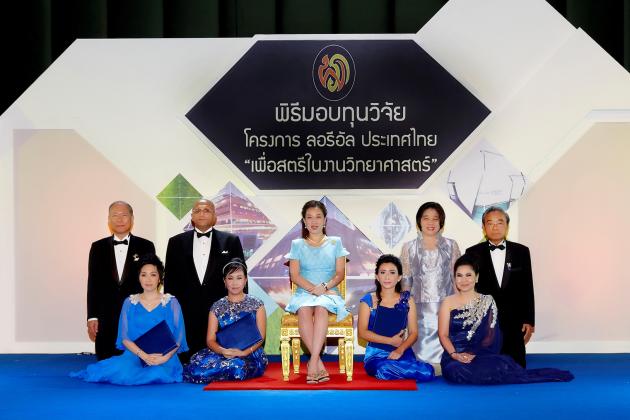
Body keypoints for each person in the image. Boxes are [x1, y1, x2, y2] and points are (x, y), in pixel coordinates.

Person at [438, 254, 573, 384]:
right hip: (454, 357)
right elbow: (443, 335)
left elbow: (491, 336)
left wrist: (474, 354)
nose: (464, 280)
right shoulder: (448, 302)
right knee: (455, 371)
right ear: (454, 278)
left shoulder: (487, 301)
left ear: (477, 277)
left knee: (500, 365)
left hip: (479, 355)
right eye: (459, 275)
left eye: (468, 275)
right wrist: (455, 354)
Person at [72, 254, 188, 385]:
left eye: (153, 275)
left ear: (160, 278)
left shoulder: (172, 302)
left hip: (165, 358)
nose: (148, 279)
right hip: (135, 355)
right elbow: (125, 337)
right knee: (123, 373)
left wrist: (164, 358)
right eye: (143, 275)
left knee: (157, 373)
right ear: (139, 278)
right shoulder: (130, 302)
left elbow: (179, 337)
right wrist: (144, 356)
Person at [164, 198, 245, 362]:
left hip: (221, 311)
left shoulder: (231, 241)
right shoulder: (175, 242)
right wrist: (170, 310)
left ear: (215, 216)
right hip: (186, 311)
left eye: (207, 210)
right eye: (197, 210)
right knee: (186, 363)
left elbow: (240, 276)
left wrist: (240, 308)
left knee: (221, 362)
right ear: (192, 217)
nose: (202, 213)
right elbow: (170, 280)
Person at [285, 200, 349, 384]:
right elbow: (295, 275)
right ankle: (317, 363)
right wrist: (314, 290)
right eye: (309, 217)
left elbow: (339, 274)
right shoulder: (297, 244)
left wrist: (325, 288)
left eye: (318, 217)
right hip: (305, 292)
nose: (314, 221)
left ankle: (312, 363)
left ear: (325, 220)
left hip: (328, 291)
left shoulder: (336, 243)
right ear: (304, 221)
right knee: (304, 309)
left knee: (321, 309)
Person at [465, 206, 534, 367]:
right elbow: (469, 288)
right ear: (483, 227)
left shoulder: (521, 251)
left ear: (507, 226)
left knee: (516, 367)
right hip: (485, 319)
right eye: (490, 223)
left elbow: (527, 286)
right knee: (486, 367)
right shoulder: (472, 253)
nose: (495, 227)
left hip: (514, 320)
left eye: (499, 222)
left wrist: (529, 319)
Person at [86, 201, 155, 360]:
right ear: (108, 219)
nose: (120, 219)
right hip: (106, 317)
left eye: (124, 215)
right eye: (115, 215)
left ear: (132, 218)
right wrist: (92, 316)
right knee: (106, 363)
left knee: (136, 363)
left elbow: (151, 282)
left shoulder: (146, 246)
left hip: (136, 314)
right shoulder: (97, 247)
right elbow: (93, 283)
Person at [183, 258, 267, 383]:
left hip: (250, 354)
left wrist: (244, 353)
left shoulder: (257, 304)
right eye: (230, 278)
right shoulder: (217, 306)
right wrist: (223, 351)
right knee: (196, 368)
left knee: (237, 367)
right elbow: (210, 340)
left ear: (245, 280)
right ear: (224, 281)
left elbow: (261, 338)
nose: (234, 283)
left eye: (239, 278)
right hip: (224, 352)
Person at [400, 202, 460, 366]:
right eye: (426, 218)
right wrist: (405, 305)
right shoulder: (409, 247)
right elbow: (406, 280)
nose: (431, 222)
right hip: (419, 309)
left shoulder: (451, 245)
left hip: (446, 307)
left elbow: (456, 278)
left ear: (441, 222)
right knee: (419, 352)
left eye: (435, 218)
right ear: (419, 222)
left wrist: (459, 304)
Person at [358, 254, 435, 381]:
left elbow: (414, 333)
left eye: (392, 272)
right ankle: (403, 371)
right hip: (376, 356)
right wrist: (390, 341)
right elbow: (362, 333)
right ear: (377, 276)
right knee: (384, 369)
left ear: (399, 277)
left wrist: (400, 350)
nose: (387, 277)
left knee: (427, 372)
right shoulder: (368, 300)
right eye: (383, 272)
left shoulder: (407, 300)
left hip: (402, 352)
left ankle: (404, 369)